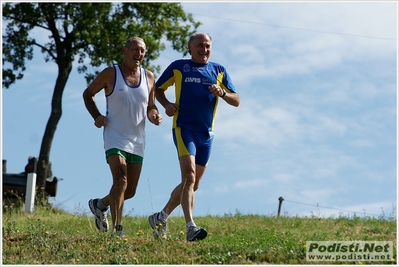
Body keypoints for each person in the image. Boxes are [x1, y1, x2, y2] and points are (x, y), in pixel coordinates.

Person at [148, 32, 240, 242]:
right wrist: (167, 105)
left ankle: (160, 217)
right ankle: (191, 227)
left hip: (207, 133)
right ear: (190, 47)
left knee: (193, 184)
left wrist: (223, 93)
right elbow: (157, 89)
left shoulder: (218, 70)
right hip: (184, 128)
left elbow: (237, 100)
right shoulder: (179, 67)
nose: (204, 49)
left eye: (208, 46)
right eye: (200, 45)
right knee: (188, 177)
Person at [83, 37, 162, 238]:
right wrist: (97, 116)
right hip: (114, 135)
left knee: (130, 190)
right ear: (124, 51)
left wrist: (154, 115)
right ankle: (119, 229)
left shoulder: (149, 77)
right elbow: (88, 94)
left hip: (137, 139)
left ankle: (99, 205)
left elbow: (151, 106)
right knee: (121, 179)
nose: (139, 54)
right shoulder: (111, 73)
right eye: (135, 49)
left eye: (142, 51)